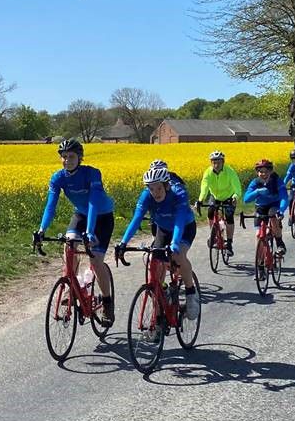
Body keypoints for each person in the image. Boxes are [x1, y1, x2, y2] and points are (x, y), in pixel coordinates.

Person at [33, 138, 115, 324]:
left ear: (80, 157)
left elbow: (93, 202)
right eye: (64, 157)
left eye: (71, 156)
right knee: (69, 245)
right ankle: (71, 286)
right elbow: (51, 206)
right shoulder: (58, 178)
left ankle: (107, 302)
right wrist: (41, 229)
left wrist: (90, 231)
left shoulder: (92, 173)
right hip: (81, 215)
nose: (67, 160)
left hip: (102, 217)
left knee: (95, 261)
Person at [114, 160, 199, 320]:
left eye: (159, 188)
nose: (155, 192)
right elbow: (136, 220)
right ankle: (161, 298)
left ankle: (190, 293)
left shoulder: (178, 193)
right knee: (153, 260)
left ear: (166, 185)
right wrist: (123, 243)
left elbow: (180, 220)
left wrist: (174, 242)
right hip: (163, 229)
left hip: (184, 228)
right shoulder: (146, 196)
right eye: (151, 188)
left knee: (178, 255)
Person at [196, 150, 242, 257]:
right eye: (214, 162)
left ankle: (229, 243)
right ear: (211, 163)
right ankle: (213, 233)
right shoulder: (208, 172)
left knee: (229, 217)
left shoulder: (230, 171)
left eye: (219, 162)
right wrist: (200, 200)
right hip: (215, 196)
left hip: (229, 196)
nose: (216, 165)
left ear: (223, 162)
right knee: (210, 212)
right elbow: (204, 187)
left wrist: (235, 197)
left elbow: (237, 188)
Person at [243, 159, 289, 257]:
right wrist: (257, 191)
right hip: (261, 206)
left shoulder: (277, 181)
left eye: (266, 171)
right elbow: (246, 199)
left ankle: (280, 243)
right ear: (257, 172)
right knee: (258, 235)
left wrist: (281, 210)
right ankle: (260, 260)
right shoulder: (255, 182)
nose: (263, 174)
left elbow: (284, 197)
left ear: (271, 171)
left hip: (274, 204)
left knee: (272, 215)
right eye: (260, 172)